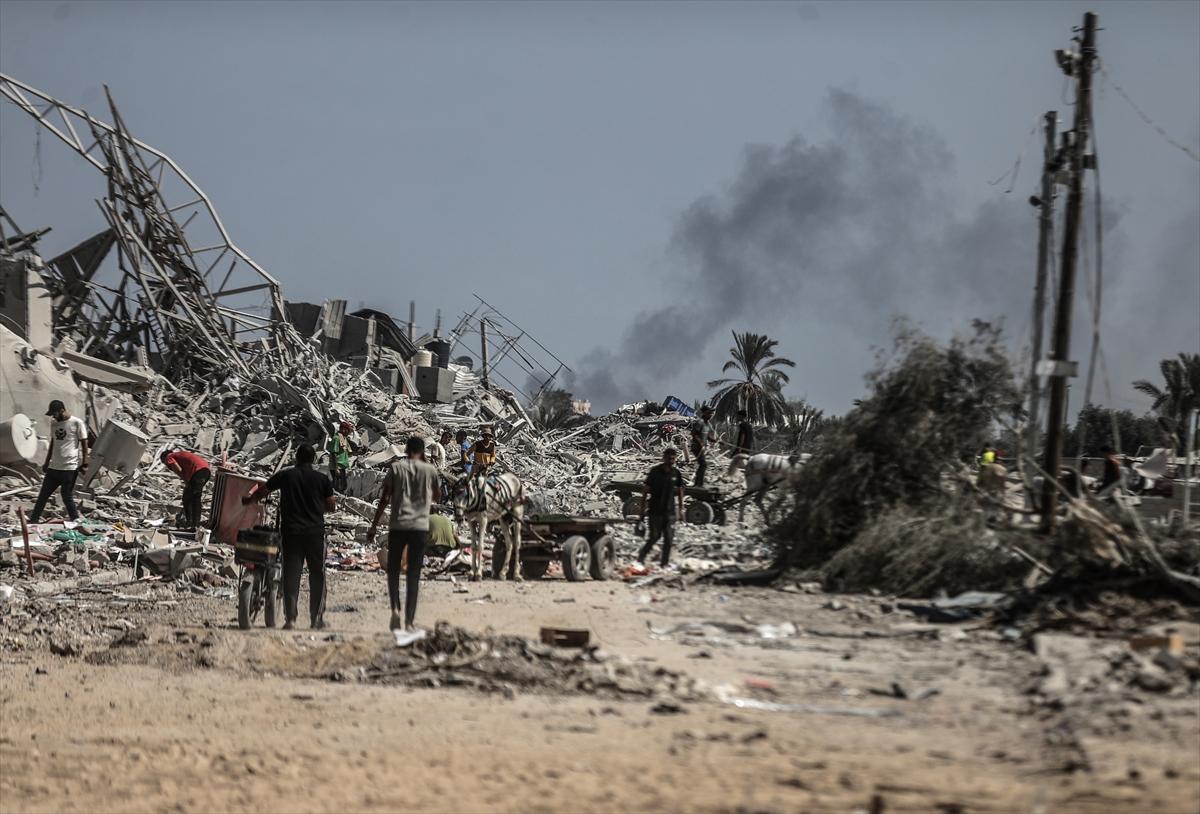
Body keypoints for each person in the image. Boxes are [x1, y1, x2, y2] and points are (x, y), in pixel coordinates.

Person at [242, 444, 335, 630]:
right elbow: (331, 506)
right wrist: (317, 508)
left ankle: (290, 620)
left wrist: (249, 500)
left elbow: (263, 491)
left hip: (291, 532)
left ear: (296, 458)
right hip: (314, 533)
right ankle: (316, 620)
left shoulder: (286, 475)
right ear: (314, 460)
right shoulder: (322, 479)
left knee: (291, 575)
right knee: (317, 575)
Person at [367, 437, 441, 632]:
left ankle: (395, 610)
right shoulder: (430, 470)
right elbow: (437, 496)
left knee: (393, 570)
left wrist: (374, 525)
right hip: (419, 528)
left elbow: (384, 498)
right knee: (414, 574)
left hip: (398, 526)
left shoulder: (396, 468)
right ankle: (409, 621)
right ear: (423, 451)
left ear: (406, 450)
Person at [29, 400, 89, 523]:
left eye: (55, 413)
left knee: (66, 495)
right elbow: (53, 443)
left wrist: (85, 463)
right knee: (43, 495)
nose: (53, 416)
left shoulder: (76, 423)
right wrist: (46, 462)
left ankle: (76, 519)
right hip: (54, 467)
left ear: (62, 410)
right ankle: (33, 521)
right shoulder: (54, 424)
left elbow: (84, 443)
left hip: (69, 467)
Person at [637, 447, 686, 567]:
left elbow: (680, 490)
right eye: (669, 458)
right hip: (655, 511)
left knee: (669, 539)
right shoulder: (655, 472)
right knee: (654, 537)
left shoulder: (676, 473)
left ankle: (664, 563)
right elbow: (645, 491)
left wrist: (681, 509)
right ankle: (641, 556)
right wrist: (642, 511)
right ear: (663, 458)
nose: (671, 461)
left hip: (670, 512)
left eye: (673, 459)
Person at [161, 448, 211, 530]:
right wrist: (188, 482)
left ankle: (192, 524)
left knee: (190, 498)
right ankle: (194, 523)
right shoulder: (180, 455)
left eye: (164, 463)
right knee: (194, 497)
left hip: (198, 472)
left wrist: (185, 480)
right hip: (206, 471)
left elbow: (178, 469)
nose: (166, 465)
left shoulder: (169, 457)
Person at [690, 406, 718, 487]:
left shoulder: (707, 424)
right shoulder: (700, 422)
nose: (711, 415)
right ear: (704, 413)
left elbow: (708, 437)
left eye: (712, 413)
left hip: (701, 448)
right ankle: (698, 484)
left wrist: (715, 440)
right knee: (703, 464)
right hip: (696, 447)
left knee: (702, 465)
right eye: (709, 413)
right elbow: (694, 434)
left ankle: (698, 483)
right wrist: (701, 443)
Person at [327, 421, 357, 493]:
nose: (349, 433)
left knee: (343, 486)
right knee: (338, 487)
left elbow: (348, 452)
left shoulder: (343, 439)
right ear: (343, 429)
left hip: (342, 467)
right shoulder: (336, 438)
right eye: (348, 431)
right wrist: (336, 468)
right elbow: (333, 453)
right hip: (337, 467)